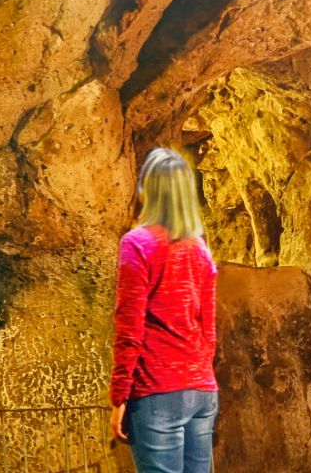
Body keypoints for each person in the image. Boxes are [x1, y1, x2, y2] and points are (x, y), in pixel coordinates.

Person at [111, 147, 219, 473]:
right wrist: (197, 375)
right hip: (202, 390)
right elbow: (209, 330)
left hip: (158, 389)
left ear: (148, 191)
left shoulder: (137, 244)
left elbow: (129, 329)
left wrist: (119, 397)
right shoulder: (200, 250)